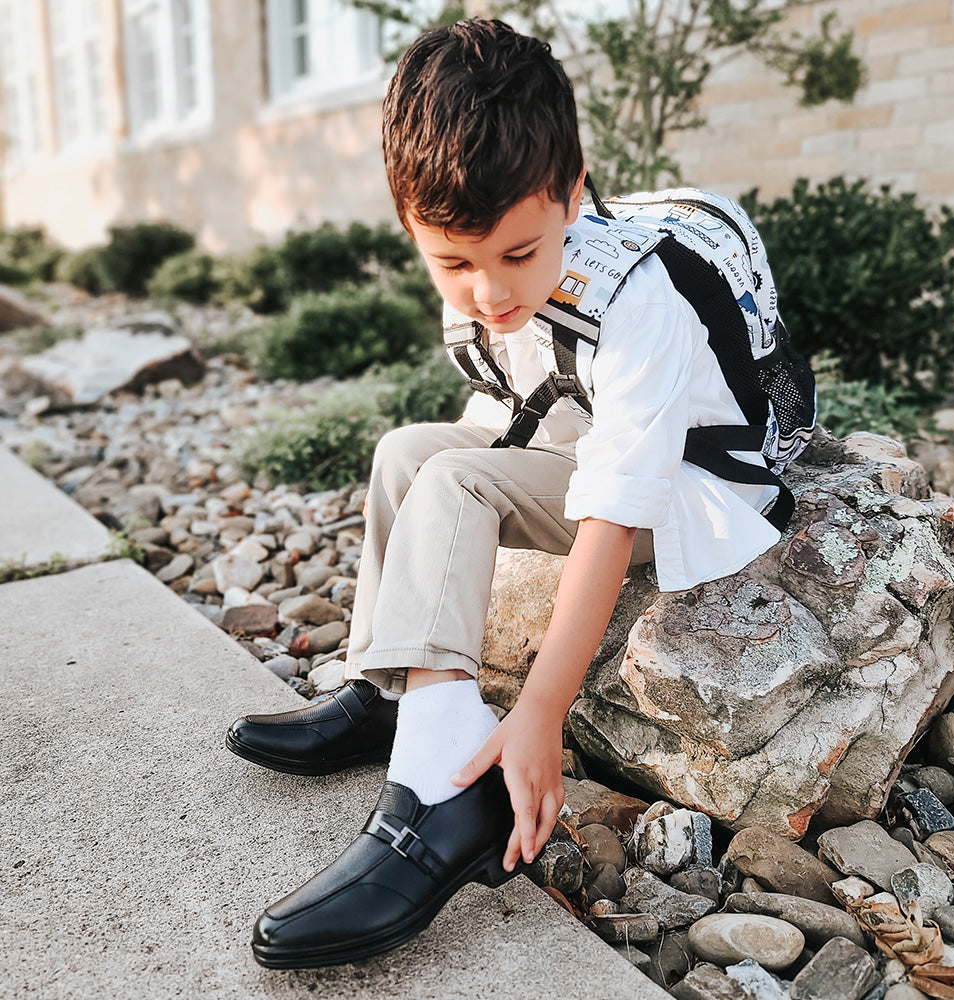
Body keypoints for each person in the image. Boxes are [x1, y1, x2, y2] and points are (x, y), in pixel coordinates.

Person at [227, 18, 782, 969]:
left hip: (690, 484)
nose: (487, 290)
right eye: (453, 263)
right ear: (412, 226)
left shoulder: (642, 301)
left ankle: (442, 794)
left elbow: (611, 521)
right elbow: (514, 394)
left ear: (571, 193)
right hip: (581, 436)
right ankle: (392, 688)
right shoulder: (496, 262)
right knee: (408, 451)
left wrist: (536, 714)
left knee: (453, 481)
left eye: (519, 256)